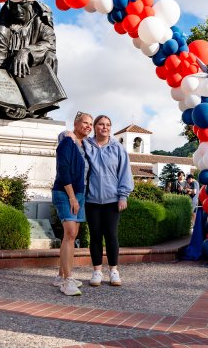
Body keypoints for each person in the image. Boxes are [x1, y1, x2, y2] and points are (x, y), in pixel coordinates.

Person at [83, 115, 133, 287]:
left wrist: (123, 196)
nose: (104, 127)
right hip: (92, 200)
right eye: (101, 124)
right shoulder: (86, 145)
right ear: (95, 127)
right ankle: (97, 271)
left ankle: (113, 271)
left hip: (112, 200)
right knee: (95, 236)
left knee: (111, 235)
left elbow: (125, 172)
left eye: (108, 125)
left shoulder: (118, 148)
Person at [52, 112, 92, 296]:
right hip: (65, 192)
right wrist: (72, 197)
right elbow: (63, 169)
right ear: (76, 124)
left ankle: (61, 276)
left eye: (90, 124)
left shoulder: (84, 145)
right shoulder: (67, 141)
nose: (88, 126)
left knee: (71, 234)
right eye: (85, 122)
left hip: (80, 192)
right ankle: (67, 280)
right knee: (69, 233)